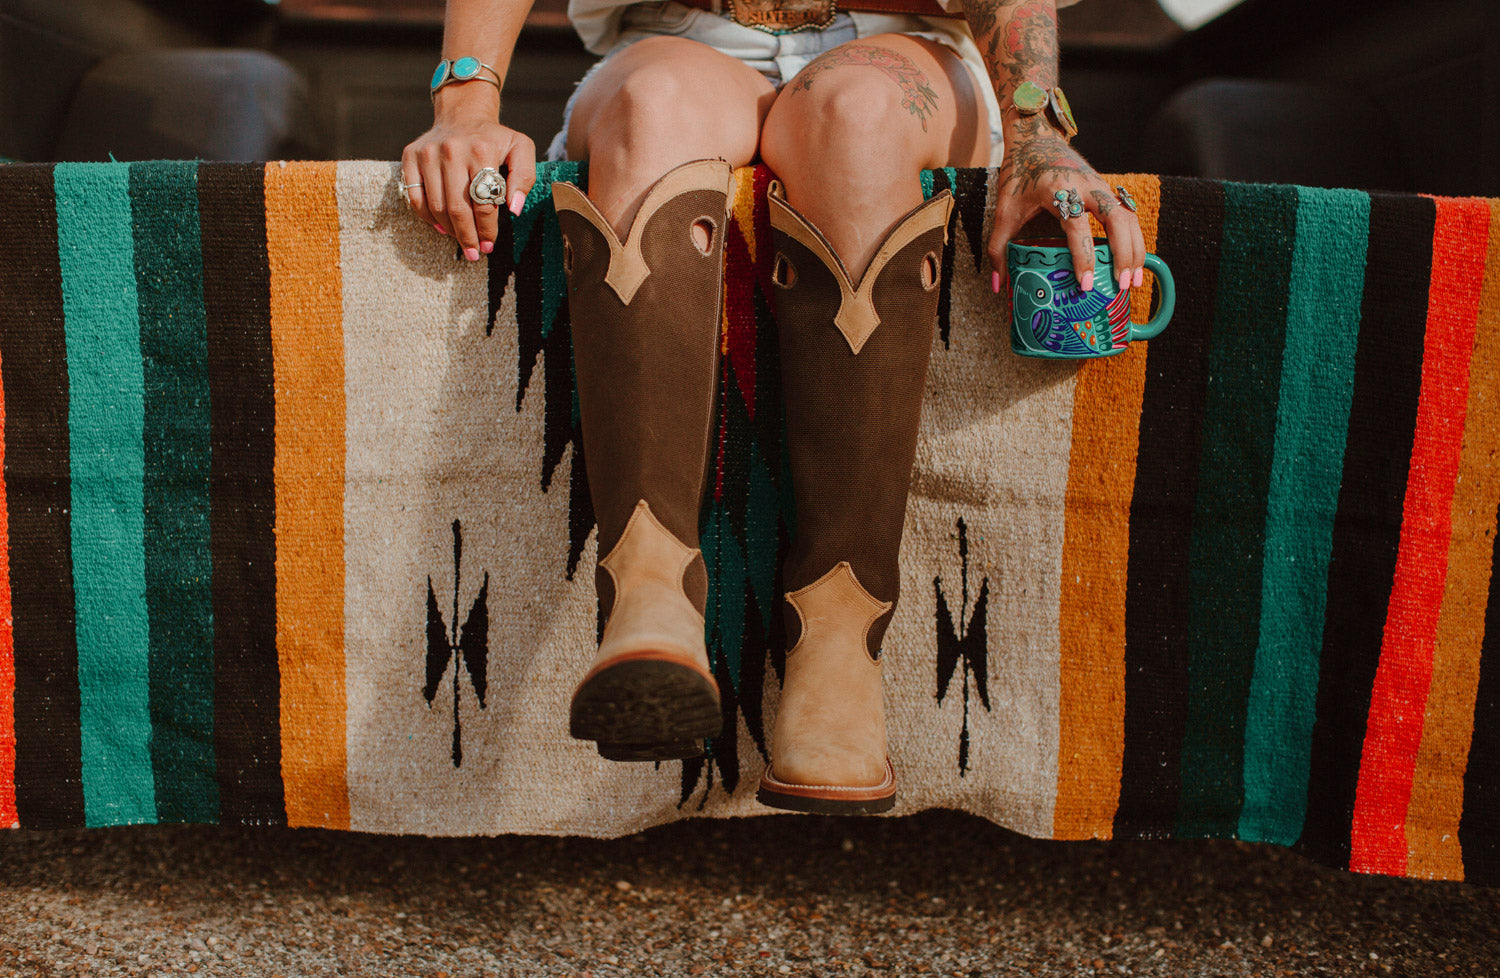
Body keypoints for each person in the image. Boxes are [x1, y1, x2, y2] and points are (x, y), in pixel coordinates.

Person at [401, 0, 1141, 816]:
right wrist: (465, 100)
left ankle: (839, 641)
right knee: (652, 112)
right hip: (679, 39)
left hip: (902, 48)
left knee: (855, 116)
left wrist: (1038, 131)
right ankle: (649, 593)